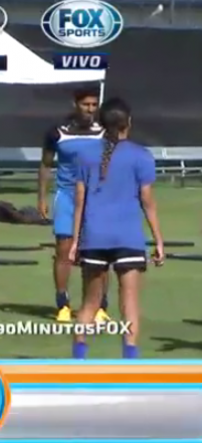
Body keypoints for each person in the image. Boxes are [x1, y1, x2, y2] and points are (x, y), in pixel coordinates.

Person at [69, 98, 163, 359]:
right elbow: (148, 202)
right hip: (129, 237)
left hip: (94, 237)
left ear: (100, 123)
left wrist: (75, 241)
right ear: (128, 123)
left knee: (90, 302)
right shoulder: (141, 155)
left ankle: (79, 360)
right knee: (129, 302)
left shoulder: (85, 155)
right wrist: (159, 241)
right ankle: (129, 360)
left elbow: (79, 201)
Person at [39, 86, 111, 323]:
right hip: (67, 197)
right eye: (85, 104)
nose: (90, 109)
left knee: (99, 253)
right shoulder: (58, 133)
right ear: (75, 104)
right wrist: (41, 197)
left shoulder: (105, 131)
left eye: (94, 104)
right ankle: (63, 304)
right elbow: (46, 165)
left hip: (97, 198)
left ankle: (99, 306)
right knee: (64, 251)